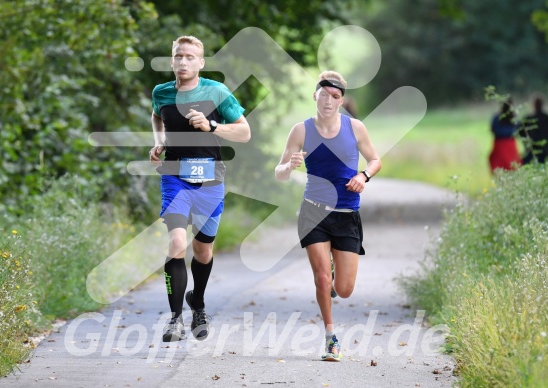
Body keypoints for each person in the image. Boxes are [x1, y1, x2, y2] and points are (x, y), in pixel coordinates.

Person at [149, 36, 251, 342]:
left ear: (201, 62)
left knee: (203, 251)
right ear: (171, 61)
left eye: (190, 57)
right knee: (177, 244)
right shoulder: (161, 92)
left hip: (210, 180)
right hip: (175, 175)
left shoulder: (216, 92)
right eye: (178, 56)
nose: (183, 62)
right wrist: (158, 140)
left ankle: (199, 303)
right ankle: (175, 319)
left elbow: (245, 132)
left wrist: (212, 127)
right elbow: (156, 115)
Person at [274, 71, 381, 362]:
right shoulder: (301, 130)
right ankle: (330, 338)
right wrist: (290, 166)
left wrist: (364, 175)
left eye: (335, 96)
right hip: (313, 212)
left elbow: (375, 159)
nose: (329, 100)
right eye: (324, 94)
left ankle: (334, 275)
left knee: (343, 290)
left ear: (341, 100)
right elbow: (280, 172)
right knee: (322, 278)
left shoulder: (355, 127)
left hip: (347, 213)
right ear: (315, 95)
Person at [488, 98, 521, 172]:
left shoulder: (496, 118)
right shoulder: (514, 118)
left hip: (499, 144)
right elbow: (518, 130)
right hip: (511, 144)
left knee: (498, 165)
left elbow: (492, 130)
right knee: (512, 165)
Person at [520, 94, 548, 165]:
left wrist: (526, 143)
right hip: (543, 150)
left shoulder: (528, 118)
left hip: (532, 149)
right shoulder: (546, 118)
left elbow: (520, 132)